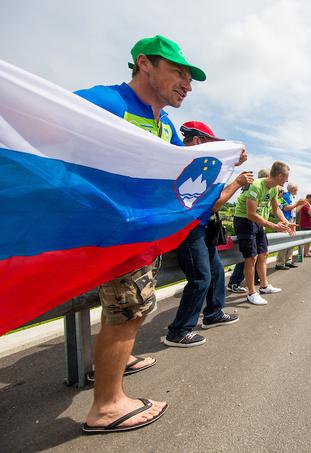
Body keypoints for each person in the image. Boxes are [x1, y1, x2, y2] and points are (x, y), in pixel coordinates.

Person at [75, 35, 204, 433]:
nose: (187, 83)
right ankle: (107, 406)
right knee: (126, 310)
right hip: (113, 233)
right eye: (178, 72)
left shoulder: (165, 124)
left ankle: (117, 364)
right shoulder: (104, 102)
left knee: (133, 308)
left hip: (142, 235)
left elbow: (182, 175)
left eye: (190, 77)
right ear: (144, 64)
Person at [163, 121, 252, 348]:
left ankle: (213, 314)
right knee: (201, 278)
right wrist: (237, 182)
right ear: (197, 141)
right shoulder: (193, 166)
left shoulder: (194, 164)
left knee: (216, 272)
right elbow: (213, 205)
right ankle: (179, 330)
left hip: (200, 230)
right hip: (189, 231)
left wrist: (230, 163)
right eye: (210, 143)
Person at [233, 162, 294, 305]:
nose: (286, 180)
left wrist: (286, 222)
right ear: (280, 175)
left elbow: (276, 209)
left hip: (258, 221)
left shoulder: (273, 188)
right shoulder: (257, 186)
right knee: (251, 258)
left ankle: (264, 286)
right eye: (286, 177)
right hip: (244, 219)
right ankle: (251, 293)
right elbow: (251, 214)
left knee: (263, 254)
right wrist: (274, 225)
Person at [227, 169, 270, 292]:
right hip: (248, 221)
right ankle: (234, 282)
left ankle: (259, 282)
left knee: (255, 255)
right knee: (249, 256)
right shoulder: (254, 188)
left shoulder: (267, 190)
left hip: (258, 222)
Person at [275, 183, 304, 270]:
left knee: (291, 241)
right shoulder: (286, 195)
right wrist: (297, 204)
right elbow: (286, 208)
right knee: (284, 241)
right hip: (285, 220)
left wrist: (301, 205)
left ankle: (288, 261)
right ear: (292, 189)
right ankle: (280, 263)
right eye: (296, 189)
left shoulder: (293, 198)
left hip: (292, 219)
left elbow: (295, 210)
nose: (297, 191)